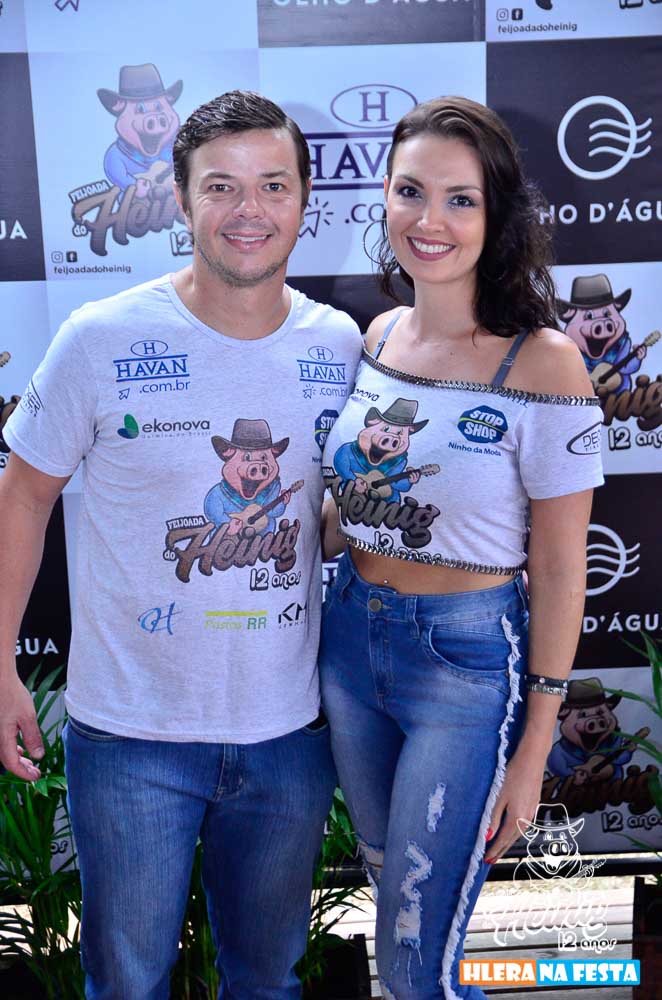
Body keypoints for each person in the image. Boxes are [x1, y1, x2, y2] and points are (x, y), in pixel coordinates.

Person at [0, 90, 362, 999]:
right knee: (126, 984)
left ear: (305, 198)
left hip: (286, 737)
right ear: (180, 196)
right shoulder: (100, 339)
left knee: (269, 983)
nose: (250, 210)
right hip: (131, 739)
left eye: (273, 185)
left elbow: (326, 522)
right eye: (221, 186)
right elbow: (24, 496)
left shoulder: (341, 345)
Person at [319, 96, 603, 1000]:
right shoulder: (378, 337)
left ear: (497, 214)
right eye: (410, 191)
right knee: (407, 926)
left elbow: (559, 568)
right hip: (348, 644)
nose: (429, 220)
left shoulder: (545, 361)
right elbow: (353, 502)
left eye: (460, 199)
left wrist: (535, 746)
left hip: (465, 665)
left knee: (412, 961)